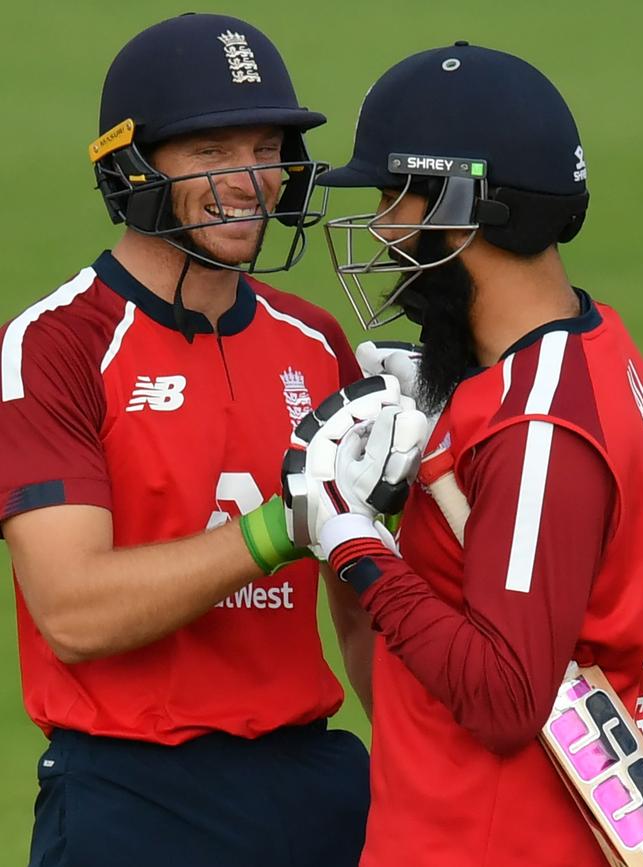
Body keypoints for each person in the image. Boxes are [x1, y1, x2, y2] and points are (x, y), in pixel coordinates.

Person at [0, 13, 372, 867]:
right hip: (131, 800)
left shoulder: (317, 344)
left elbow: (363, 618)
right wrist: (279, 528)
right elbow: (73, 610)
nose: (250, 178)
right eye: (209, 152)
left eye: (266, 145)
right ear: (134, 167)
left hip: (315, 783)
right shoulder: (57, 345)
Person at [283, 42, 643, 866]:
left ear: (462, 203)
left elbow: (506, 696)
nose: (378, 226)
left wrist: (353, 543)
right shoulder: (584, 350)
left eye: (392, 195)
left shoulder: (537, 427)